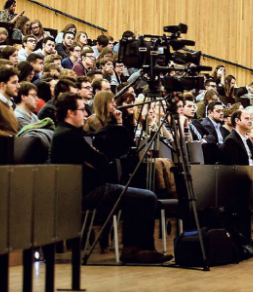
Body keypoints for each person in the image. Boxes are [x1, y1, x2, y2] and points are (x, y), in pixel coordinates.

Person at [50, 93, 171, 264]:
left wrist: (96, 157)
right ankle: (139, 249)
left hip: (88, 188)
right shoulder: (68, 135)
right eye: (82, 110)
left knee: (136, 196)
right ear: (70, 112)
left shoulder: (66, 133)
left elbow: (98, 160)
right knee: (147, 197)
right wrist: (97, 157)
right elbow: (101, 161)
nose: (85, 114)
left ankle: (134, 249)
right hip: (87, 192)